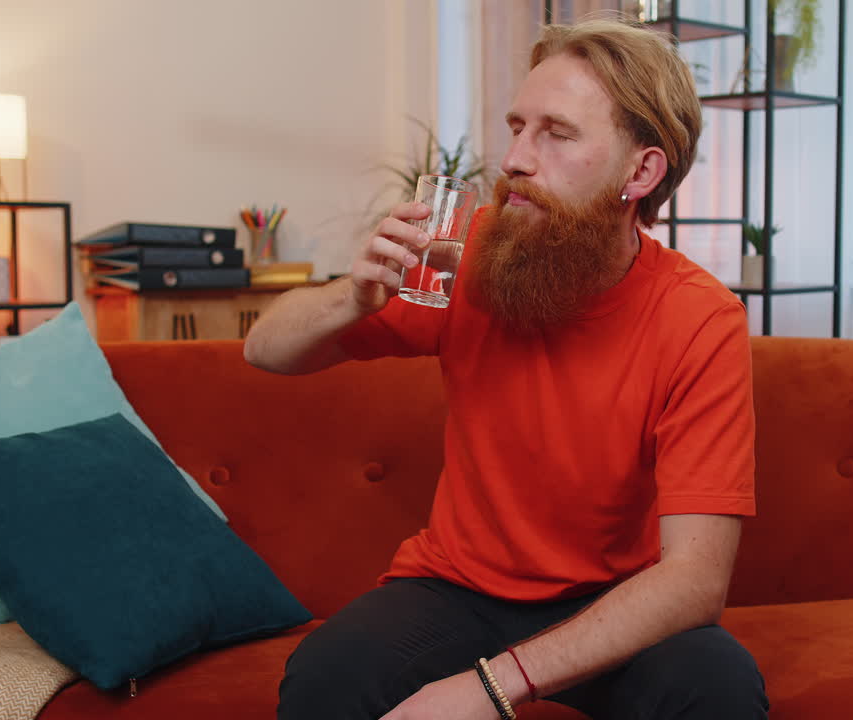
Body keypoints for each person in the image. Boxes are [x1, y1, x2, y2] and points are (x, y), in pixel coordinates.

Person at [244, 16, 767, 720]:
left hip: (614, 598)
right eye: (517, 127)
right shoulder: (466, 255)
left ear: (639, 172)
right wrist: (354, 294)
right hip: (456, 588)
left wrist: (491, 686)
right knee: (328, 676)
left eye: (556, 132)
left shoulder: (698, 318)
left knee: (717, 688)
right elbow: (265, 351)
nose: (515, 158)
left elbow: (695, 580)